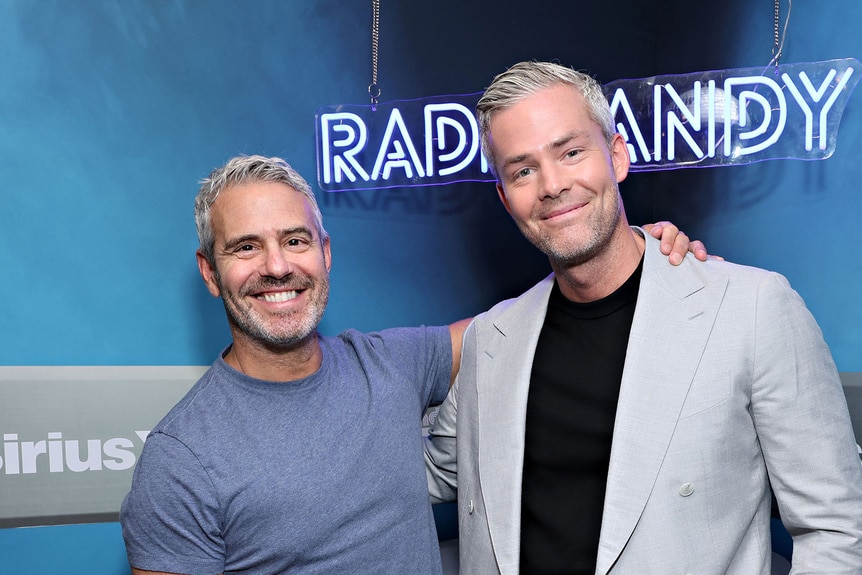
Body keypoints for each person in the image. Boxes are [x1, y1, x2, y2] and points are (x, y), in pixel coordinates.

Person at [119, 154, 704, 575]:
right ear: (209, 272)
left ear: (324, 254)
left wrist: (624, 254)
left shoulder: (387, 365)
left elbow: (517, 323)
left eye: (296, 241)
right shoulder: (181, 459)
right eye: (246, 247)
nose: (277, 266)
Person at [424, 61, 862, 574]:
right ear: (504, 197)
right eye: (522, 170)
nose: (552, 185)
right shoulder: (490, 341)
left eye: (570, 152)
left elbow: (835, 524)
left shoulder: (752, 309)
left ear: (617, 155)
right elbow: (419, 472)